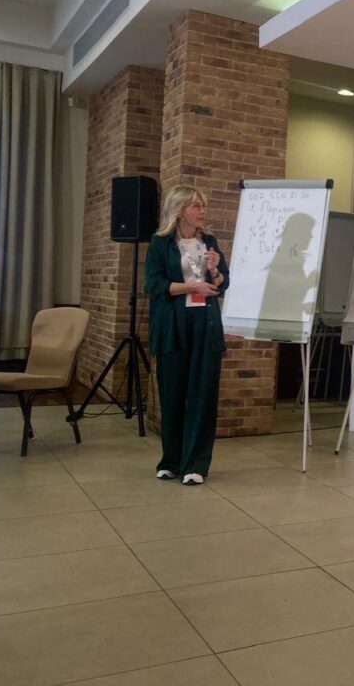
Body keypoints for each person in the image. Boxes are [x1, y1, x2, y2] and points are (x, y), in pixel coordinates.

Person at [143, 185, 229, 485]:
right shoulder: (160, 244)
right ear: (180, 211)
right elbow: (154, 285)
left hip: (204, 324)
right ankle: (171, 461)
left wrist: (214, 271)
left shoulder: (209, 241)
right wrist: (192, 286)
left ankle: (196, 464)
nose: (202, 211)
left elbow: (222, 283)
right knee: (173, 394)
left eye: (203, 206)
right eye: (196, 206)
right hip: (172, 326)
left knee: (202, 396)